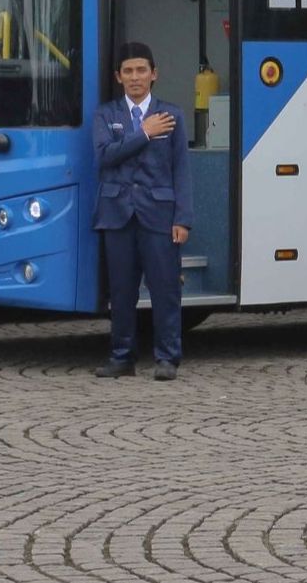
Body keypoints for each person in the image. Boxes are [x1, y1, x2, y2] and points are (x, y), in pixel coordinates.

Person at [91, 42, 193, 381]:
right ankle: (122, 357)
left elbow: (181, 170)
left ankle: (167, 357)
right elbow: (104, 156)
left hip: (159, 215)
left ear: (154, 74)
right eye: (128, 71)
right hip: (117, 214)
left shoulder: (172, 115)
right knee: (121, 291)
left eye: (141, 70)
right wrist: (144, 133)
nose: (135, 77)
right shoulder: (105, 115)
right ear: (118, 77)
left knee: (165, 288)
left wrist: (183, 218)